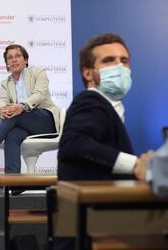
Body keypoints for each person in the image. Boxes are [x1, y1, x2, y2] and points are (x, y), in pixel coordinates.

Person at [57, 33, 154, 181]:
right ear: (88, 73)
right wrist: (135, 164)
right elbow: (73, 144)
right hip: (96, 202)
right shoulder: (90, 100)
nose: (119, 66)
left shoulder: (111, 107)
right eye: (109, 60)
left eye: (124, 60)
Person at [0, 44, 60, 174]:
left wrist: (22, 106)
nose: (14, 60)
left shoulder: (38, 72)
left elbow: (39, 94)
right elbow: (2, 100)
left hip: (45, 121)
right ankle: (13, 181)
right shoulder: (5, 83)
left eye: (18, 56)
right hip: (22, 124)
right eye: (10, 58)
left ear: (25, 60)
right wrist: (1, 109)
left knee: (15, 113)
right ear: (7, 64)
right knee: (12, 135)